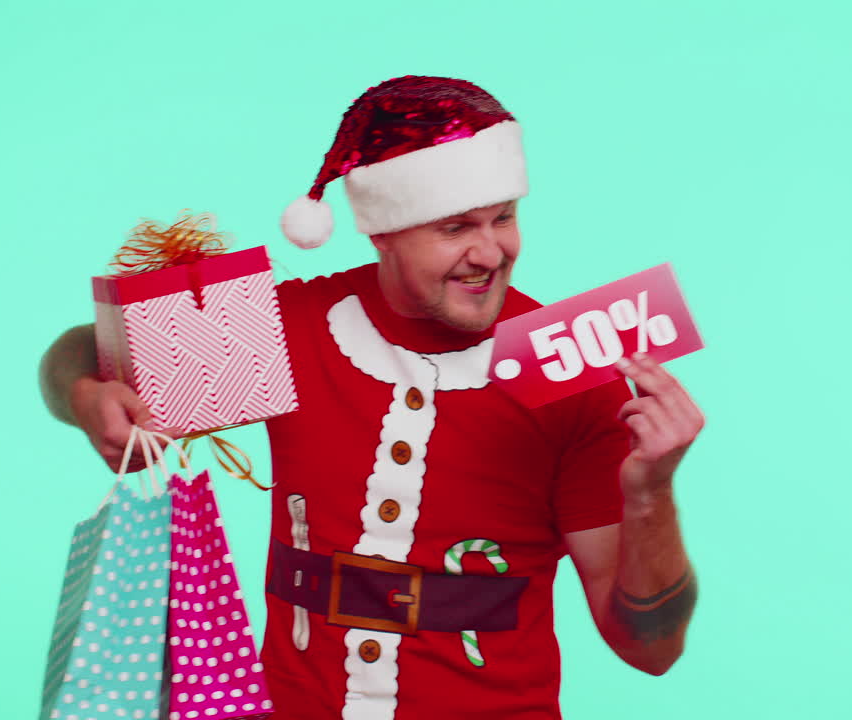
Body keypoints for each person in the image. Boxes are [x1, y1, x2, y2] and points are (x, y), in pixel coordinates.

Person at [40, 76, 704, 720]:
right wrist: (85, 394)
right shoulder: (292, 329)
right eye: (455, 228)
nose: (490, 251)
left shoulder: (570, 376)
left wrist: (651, 491)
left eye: (504, 218)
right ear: (382, 231)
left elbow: (650, 648)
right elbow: (79, 348)